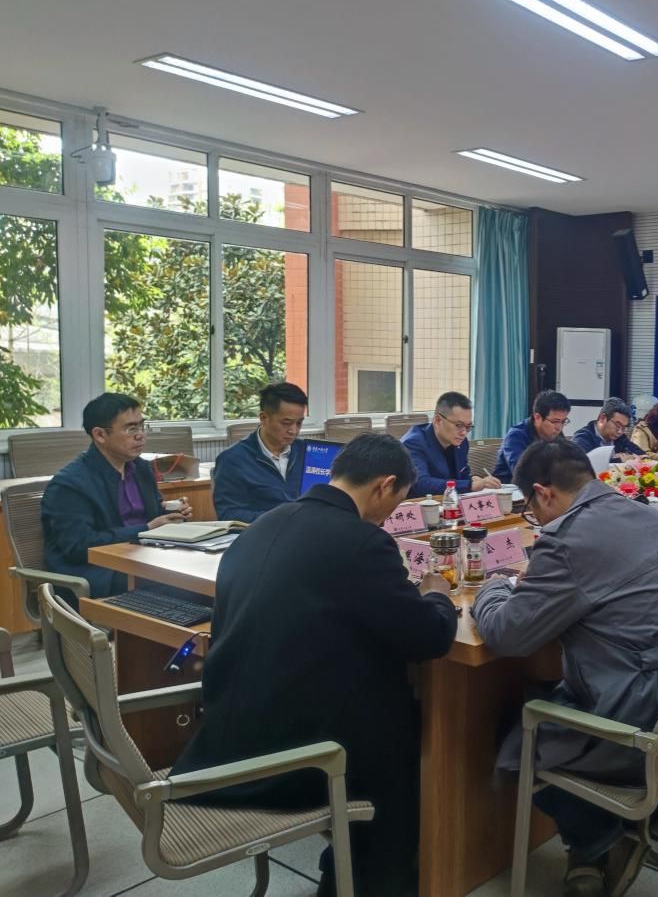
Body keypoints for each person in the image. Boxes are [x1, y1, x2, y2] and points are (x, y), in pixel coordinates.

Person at [172, 432, 458, 897]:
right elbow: (430, 637)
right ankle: (374, 880)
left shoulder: (263, 524)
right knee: (410, 725)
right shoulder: (362, 542)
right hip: (294, 753)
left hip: (226, 730)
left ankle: (345, 863)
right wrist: (436, 596)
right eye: (397, 501)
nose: (390, 516)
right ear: (385, 485)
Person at [473, 439, 658, 897]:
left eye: (532, 511)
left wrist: (492, 588)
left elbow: (506, 635)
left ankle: (599, 838)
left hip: (639, 713)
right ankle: (610, 833)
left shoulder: (566, 541)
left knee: (513, 738)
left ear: (544, 493)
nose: (537, 521)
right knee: (547, 690)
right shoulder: (650, 516)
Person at [42, 393, 192, 600]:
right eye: (131, 429)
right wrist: (146, 529)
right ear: (100, 435)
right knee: (184, 583)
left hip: (142, 559)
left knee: (210, 572)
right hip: (98, 574)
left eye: (142, 426)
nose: (141, 436)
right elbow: (79, 547)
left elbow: (153, 515)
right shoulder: (69, 484)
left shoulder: (141, 469)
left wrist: (172, 512)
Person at [212, 381, 310, 522]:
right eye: (286, 423)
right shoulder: (233, 460)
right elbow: (228, 514)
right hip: (263, 532)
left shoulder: (308, 453)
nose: (293, 430)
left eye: (299, 423)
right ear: (264, 418)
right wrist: (282, 519)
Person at [401, 390, 501, 497]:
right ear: (438, 420)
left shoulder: (461, 443)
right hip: (420, 504)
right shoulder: (413, 443)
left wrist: (472, 478)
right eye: (458, 425)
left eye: (468, 426)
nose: (464, 433)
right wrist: (470, 485)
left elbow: (462, 475)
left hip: (449, 502)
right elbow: (421, 484)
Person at [493, 390, 572, 482]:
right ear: (538, 417)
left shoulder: (555, 433)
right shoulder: (516, 436)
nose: (559, 427)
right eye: (555, 421)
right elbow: (522, 474)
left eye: (563, 421)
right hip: (511, 487)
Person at [570, 397, 645, 459]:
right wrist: (618, 459)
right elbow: (585, 464)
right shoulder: (582, 438)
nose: (620, 431)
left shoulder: (620, 438)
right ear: (602, 418)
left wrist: (629, 457)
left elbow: (642, 455)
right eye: (617, 425)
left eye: (624, 428)